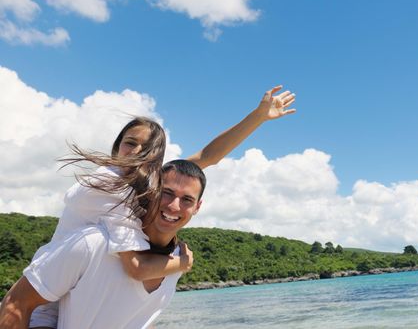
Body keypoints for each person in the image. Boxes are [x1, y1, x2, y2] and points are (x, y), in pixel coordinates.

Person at [17, 85, 296, 328]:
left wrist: (258, 117)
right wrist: (183, 262)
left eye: (148, 149)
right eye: (130, 144)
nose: (137, 151)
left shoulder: (146, 186)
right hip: (46, 305)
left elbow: (207, 157)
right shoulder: (108, 186)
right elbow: (136, 267)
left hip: (72, 295)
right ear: (116, 149)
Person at [0, 160, 207, 328]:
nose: (173, 206)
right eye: (167, 193)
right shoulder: (93, 243)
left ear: (197, 207)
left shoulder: (178, 261)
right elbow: (15, 303)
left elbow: (139, 317)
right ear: (152, 192)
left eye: (187, 199)